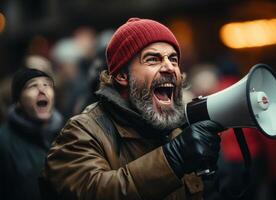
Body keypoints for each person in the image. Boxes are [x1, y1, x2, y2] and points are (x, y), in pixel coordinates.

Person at [42, 18, 224, 200]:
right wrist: (172, 159)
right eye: (153, 59)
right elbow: (93, 191)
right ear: (122, 75)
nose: (169, 67)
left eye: (174, 59)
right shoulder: (82, 132)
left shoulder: (176, 131)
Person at [0, 68, 63, 200]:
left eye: (47, 85)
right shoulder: (3, 141)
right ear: (18, 101)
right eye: (33, 85)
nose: (42, 90)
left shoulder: (67, 133)